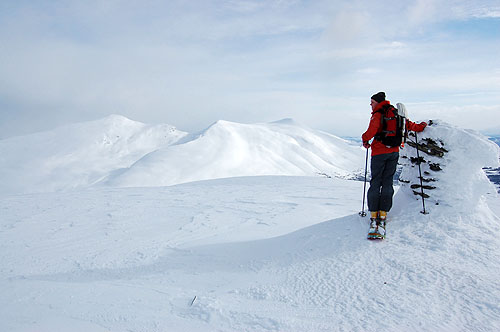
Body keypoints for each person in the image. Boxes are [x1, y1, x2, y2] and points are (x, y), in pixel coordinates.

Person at [362, 92, 427, 229]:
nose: (370, 104)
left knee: (376, 181)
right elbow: (411, 126)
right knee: (387, 181)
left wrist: (365, 139)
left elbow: (370, 132)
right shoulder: (396, 113)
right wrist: (422, 126)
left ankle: (374, 213)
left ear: (378, 102)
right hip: (394, 153)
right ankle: (384, 212)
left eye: (372, 102)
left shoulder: (378, 114)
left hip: (379, 153)